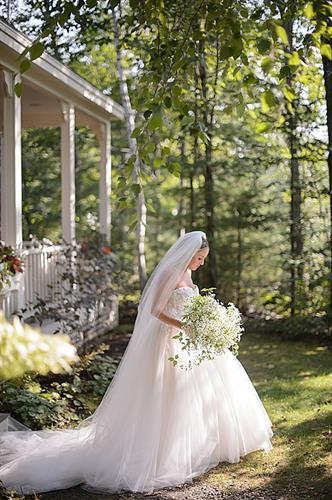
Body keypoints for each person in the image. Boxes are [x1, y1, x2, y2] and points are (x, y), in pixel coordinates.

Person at [0, 230, 273, 495]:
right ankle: (163, 450)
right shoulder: (169, 273)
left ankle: (207, 443)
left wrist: (208, 321)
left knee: (201, 390)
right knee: (170, 394)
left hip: (190, 340)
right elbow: (153, 309)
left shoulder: (188, 274)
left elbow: (192, 305)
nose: (200, 263)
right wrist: (184, 326)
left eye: (202, 259)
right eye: (199, 258)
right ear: (189, 253)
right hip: (170, 339)